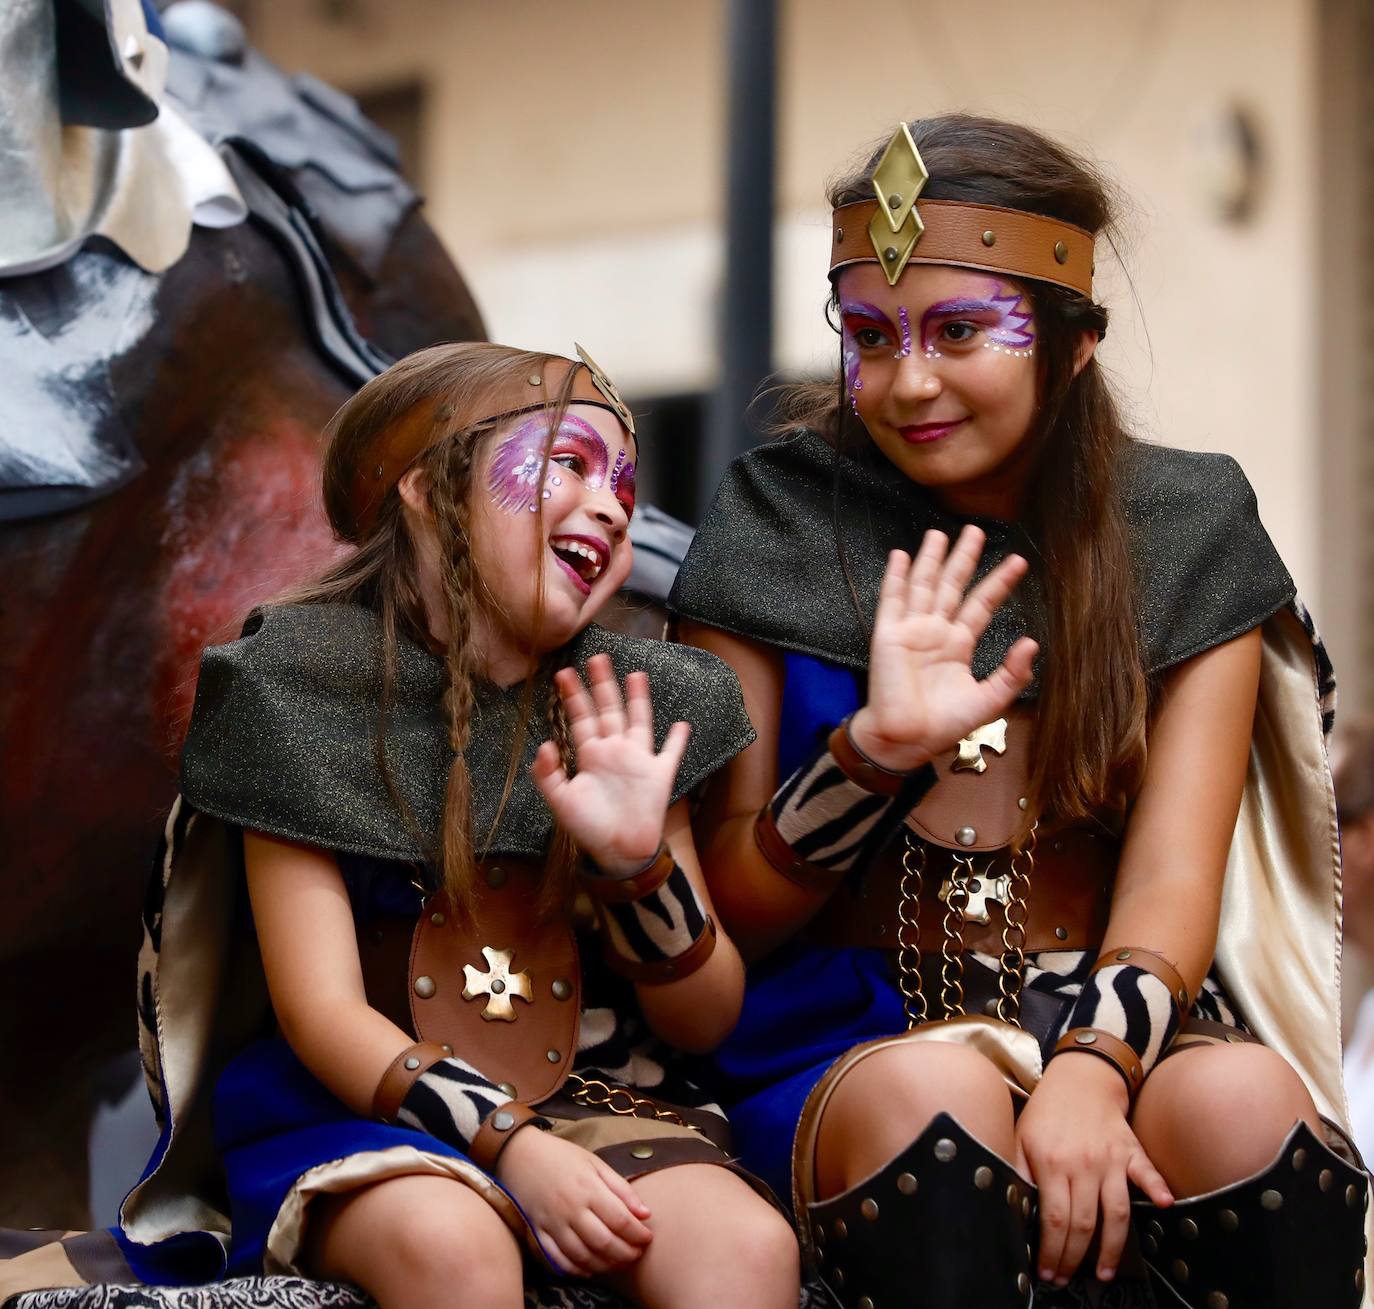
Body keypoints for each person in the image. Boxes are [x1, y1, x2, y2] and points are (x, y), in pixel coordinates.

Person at [670, 115, 1368, 1309]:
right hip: (848, 1025)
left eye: (958, 331)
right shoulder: (771, 519)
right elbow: (728, 910)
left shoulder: (1187, 526)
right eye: (871, 336)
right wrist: (869, 758)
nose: (910, 381)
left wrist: (1093, 1068)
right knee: (939, 1106)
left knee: (1251, 1109)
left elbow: (1172, 881)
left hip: (1114, 1008)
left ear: (1073, 341)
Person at [0, 342, 801, 1309]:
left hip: (595, 1097)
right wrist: (512, 1144)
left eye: (624, 485)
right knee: (450, 1245)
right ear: (426, 488)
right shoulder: (295, 689)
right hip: (363, 1113)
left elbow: (705, 1017)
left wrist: (637, 868)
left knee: (744, 1248)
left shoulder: (629, 704)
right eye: (568, 463)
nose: (613, 506)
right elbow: (323, 1011)